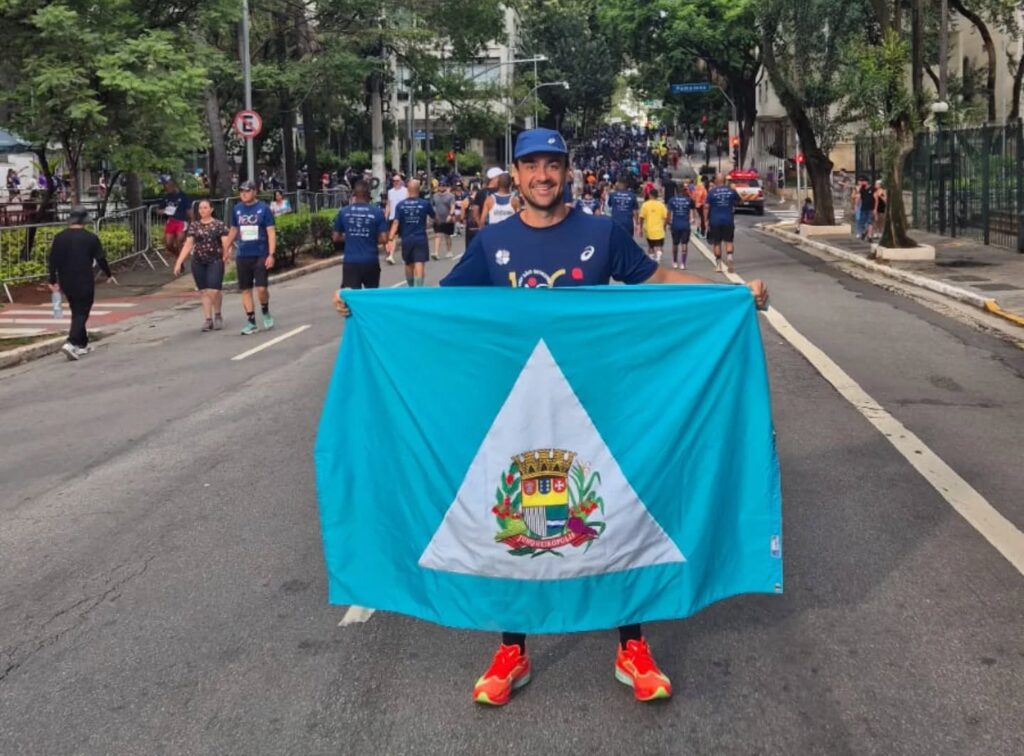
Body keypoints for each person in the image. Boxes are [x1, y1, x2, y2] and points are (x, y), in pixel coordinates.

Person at [332, 128, 768, 706]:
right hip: (518, 410)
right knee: (515, 524)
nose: (542, 176)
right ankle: (512, 648)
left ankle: (631, 643)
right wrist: (370, 308)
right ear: (515, 174)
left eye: (553, 165)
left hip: (596, 405)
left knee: (614, 512)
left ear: (567, 172)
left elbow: (657, 281)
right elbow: (443, 305)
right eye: (531, 165)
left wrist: (732, 294)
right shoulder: (493, 242)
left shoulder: (599, 232)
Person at [47, 206, 114, 361]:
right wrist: (109, 274)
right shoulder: (90, 237)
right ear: (85, 220)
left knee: (76, 309)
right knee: (83, 311)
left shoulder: (59, 237)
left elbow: (52, 260)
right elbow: (101, 258)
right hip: (84, 278)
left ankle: (82, 344)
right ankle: (71, 342)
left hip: (66, 279)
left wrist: (52, 280)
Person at [225, 180, 276, 335]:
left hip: (260, 253)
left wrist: (271, 254)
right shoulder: (237, 209)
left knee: (261, 288)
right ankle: (251, 320)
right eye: (241, 191)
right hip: (243, 254)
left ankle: (265, 309)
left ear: (254, 192)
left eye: (247, 191)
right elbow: (234, 229)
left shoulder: (263, 209)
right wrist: (225, 248)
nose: (244, 194)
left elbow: (271, 232)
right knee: (245, 289)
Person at [173, 199, 230, 331]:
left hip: (215, 260)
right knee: (203, 291)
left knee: (214, 290)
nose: (202, 210)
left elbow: (226, 242)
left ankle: (218, 314)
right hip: (198, 261)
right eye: (200, 208)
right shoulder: (195, 226)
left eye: (205, 208)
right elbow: (188, 243)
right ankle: (208, 319)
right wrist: (179, 261)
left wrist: (226, 254)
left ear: (211, 209)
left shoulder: (219, 225)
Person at [333, 180, 388, 290]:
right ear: (368, 194)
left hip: (351, 261)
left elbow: (335, 237)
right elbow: (384, 238)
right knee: (371, 297)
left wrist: (351, 236)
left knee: (351, 298)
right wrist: (369, 236)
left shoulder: (343, 212)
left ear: (354, 194)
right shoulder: (377, 212)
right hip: (370, 261)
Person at [387, 179, 434, 288]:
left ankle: (411, 286)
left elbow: (395, 223)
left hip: (406, 238)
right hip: (420, 237)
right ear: (419, 189)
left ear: (408, 189)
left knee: (408, 263)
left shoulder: (400, 205)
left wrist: (390, 238)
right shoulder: (425, 204)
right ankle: (419, 288)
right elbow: (434, 217)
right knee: (419, 262)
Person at [705, 173, 740, 273]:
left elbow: (706, 207)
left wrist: (706, 220)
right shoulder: (731, 191)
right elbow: (738, 201)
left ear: (716, 181)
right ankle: (729, 258)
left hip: (715, 220)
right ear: (725, 180)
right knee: (729, 241)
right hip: (728, 220)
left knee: (717, 243)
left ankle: (719, 265)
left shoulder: (711, 192)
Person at [159, 178, 192, 263]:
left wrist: (193, 223)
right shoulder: (166, 197)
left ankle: (180, 262)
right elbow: (159, 209)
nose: (167, 189)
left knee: (179, 241)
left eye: (168, 187)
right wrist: (161, 211)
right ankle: (178, 256)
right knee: (168, 244)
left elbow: (189, 211)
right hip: (171, 221)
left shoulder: (183, 196)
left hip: (181, 221)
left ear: (173, 186)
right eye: (166, 188)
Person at [666, 185, 694, 270]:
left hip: (675, 224)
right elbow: (692, 212)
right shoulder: (689, 200)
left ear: (676, 191)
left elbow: (669, 213)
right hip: (685, 224)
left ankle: (675, 262)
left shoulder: (672, 200)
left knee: (675, 243)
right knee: (684, 244)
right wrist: (692, 219)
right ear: (684, 191)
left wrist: (668, 222)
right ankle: (683, 263)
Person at [639, 187, 668, 262]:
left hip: (649, 229)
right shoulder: (661, 205)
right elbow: (665, 217)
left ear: (650, 195)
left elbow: (641, 217)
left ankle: (652, 260)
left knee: (650, 246)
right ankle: (658, 257)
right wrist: (664, 226)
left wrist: (640, 228)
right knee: (659, 246)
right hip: (659, 229)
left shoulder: (645, 205)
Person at [385, 174, 409, 264]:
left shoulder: (405, 191)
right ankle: (391, 255)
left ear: (401, 181)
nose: (396, 182)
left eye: (398, 181)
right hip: (393, 217)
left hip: (403, 218)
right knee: (392, 237)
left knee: (404, 238)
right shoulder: (390, 192)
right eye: (394, 181)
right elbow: (389, 204)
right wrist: (386, 215)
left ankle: (405, 257)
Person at [430, 181, 456, 259]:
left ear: (446, 187)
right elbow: (432, 206)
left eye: (443, 185)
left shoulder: (450, 196)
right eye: (440, 185)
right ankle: (436, 252)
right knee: (437, 234)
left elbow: (452, 206)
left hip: (447, 218)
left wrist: (450, 215)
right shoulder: (435, 196)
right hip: (438, 218)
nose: (441, 187)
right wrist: (432, 216)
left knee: (447, 235)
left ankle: (449, 251)